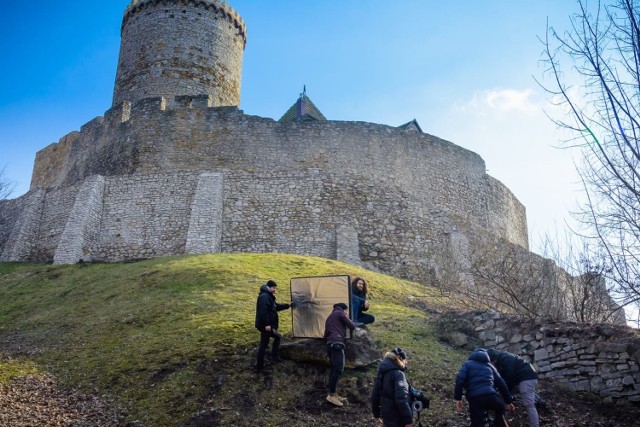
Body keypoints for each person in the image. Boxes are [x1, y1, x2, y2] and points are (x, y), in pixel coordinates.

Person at [454, 348, 515, 427]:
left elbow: (460, 380)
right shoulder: (490, 366)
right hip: (491, 396)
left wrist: (458, 398)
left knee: (477, 422)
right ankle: (499, 422)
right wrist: (509, 401)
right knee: (500, 408)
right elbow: (501, 383)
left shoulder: (467, 364)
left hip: (475, 398)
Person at [487, 348, 540, 427]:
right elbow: (500, 379)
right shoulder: (497, 362)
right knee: (500, 396)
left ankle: (535, 425)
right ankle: (499, 422)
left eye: (490, 362)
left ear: (493, 359)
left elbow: (510, 377)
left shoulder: (506, 358)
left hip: (527, 377)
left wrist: (507, 394)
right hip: (517, 380)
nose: (490, 364)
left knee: (528, 404)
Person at [254, 280, 294, 373]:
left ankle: (273, 357)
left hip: (267, 325)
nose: (275, 290)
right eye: (274, 288)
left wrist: (288, 305)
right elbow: (263, 312)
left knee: (277, 337)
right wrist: (267, 324)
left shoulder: (268, 296)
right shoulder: (264, 297)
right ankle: (260, 367)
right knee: (263, 345)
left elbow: (276, 307)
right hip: (265, 326)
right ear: (270, 287)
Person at [371, 348, 414, 427]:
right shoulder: (398, 374)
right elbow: (401, 399)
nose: (406, 362)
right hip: (398, 418)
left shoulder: (382, 373)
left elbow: (375, 395)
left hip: (386, 416)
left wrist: (377, 414)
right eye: (405, 360)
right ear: (400, 359)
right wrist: (408, 420)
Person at [324, 302, 356, 406]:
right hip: (337, 343)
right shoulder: (340, 313)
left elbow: (325, 334)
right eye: (346, 311)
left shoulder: (330, 316)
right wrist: (347, 318)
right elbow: (352, 326)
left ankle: (333, 393)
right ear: (344, 309)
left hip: (330, 344)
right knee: (338, 369)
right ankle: (331, 395)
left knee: (334, 369)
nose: (346, 312)